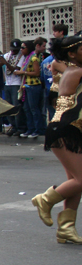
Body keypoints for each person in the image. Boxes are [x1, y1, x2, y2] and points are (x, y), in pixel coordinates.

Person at [34, 36, 82, 244]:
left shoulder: (72, 69)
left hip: (72, 129)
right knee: (81, 180)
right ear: (72, 54)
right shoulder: (77, 71)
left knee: (76, 182)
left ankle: (66, 228)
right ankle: (46, 199)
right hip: (64, 129)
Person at [14, 38, 47, 139]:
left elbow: (37, 73)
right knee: (26, 108)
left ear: (29, 48)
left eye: (23, 47)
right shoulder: (26, 58)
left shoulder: (34, 58)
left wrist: (22, 72)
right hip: (26, 85)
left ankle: (38, 130)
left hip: (33, 86)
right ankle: (30, 129)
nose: (21, 49)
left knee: (34, 109)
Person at [2, 39, 26, 136]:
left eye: (16, 49)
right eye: (13, 49)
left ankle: (20, 127)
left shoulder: (22, 57)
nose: (14, 51)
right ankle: (13, 126)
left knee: (17, 106)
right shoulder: (7, 55)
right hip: (7, 84)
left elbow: (15, 70)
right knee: (9, 107)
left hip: (16, 83)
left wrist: (5, 63)